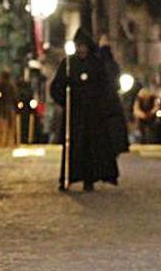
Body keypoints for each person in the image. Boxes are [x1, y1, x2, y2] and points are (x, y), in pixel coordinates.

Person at [51, 29, 120, 191]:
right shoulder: (68, 64)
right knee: (72, 147)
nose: (81, 50)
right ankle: (67, 178)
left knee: (90, 147)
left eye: (84, 46)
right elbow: (57, 87)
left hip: (92, 115)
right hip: (74, 115)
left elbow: (105, 86)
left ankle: (89, 178)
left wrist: (100, 105)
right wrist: (65, 94)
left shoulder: (96, 64)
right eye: (79, 46)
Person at [0, 71, 19, 147]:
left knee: (1, 126)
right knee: (9, 126)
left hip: (2, 108)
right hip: (8, 107)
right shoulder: (11, 86)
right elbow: (15, 97)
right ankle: (8, 142)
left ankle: (1, 142)